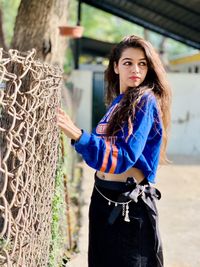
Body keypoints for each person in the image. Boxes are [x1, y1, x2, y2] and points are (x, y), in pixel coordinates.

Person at [57, 35, 171, 267]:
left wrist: (78, 135)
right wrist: (84, 142)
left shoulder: (145, 101)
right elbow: (99, 159)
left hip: (128, 205)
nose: (136, 69)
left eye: (142, 63)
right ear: (116, 66)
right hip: (102, 197)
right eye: (128, 62)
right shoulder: (119, 103)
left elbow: (123, 157)